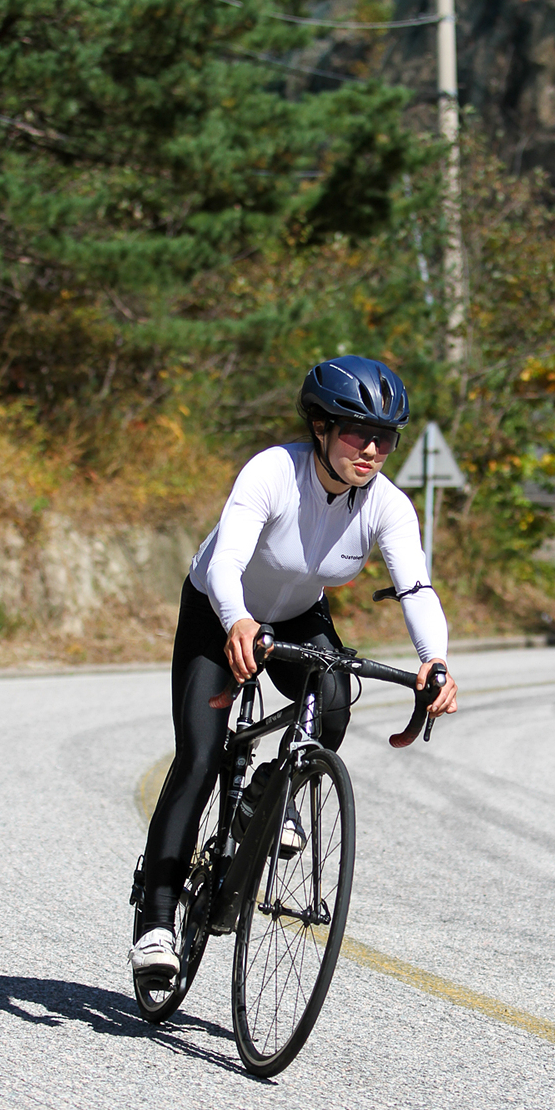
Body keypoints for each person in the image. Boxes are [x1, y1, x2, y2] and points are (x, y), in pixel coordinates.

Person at [131, 355, 459, 984]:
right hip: (218, 610)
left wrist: (434, 661)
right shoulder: (273, 472)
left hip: (298, 614)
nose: (371, 449)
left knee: (333, 700)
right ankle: (157, 918)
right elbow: (227, 562)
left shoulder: (386, 504)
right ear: (320, 426)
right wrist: (236, 621)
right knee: (200, 757)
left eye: (385, 437)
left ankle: (264, 798)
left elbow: (415, 588)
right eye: (357, 432)